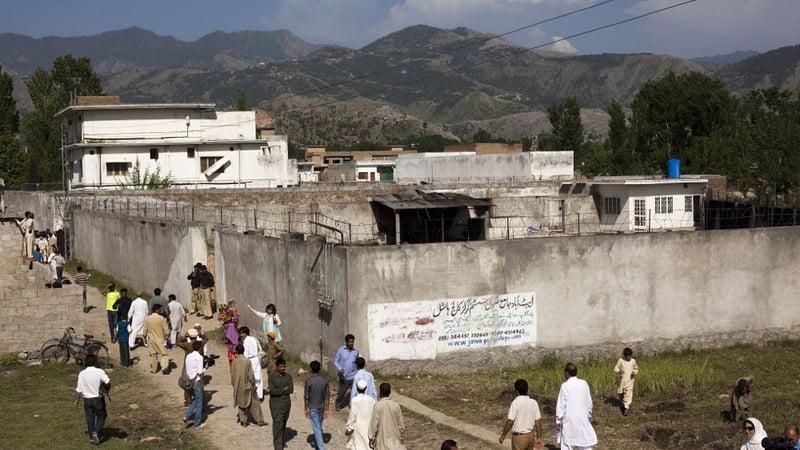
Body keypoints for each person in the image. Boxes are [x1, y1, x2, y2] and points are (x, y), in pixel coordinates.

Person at [556, 363, 597, 450]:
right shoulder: (584, 383)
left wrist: (558, 420)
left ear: (567, 373)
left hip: (569, 418)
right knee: (584, 440)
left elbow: (561, 405)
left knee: (567, 442)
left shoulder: (565, 386)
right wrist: (589, 414)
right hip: (582, 417)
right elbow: (588, 401)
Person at [75, 353, 111, 446]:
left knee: (89, 418)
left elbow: (79, 389)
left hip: (87, 400)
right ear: (95, 361)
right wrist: (107, 389)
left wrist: (77, 400)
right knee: (102, 416)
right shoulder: (99, 371)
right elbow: (107, 381)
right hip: (98, 398)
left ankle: (92, 436)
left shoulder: (82, 373)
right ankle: (97, 431)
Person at [499, 379, 542, 450]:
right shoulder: (533, 402)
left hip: (519, 438)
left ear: (517, 390)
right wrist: (539, 437)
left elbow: (510, 422)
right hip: (530, 436)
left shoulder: (515, 403)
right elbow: (538, 422)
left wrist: (503, 435)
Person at [231, 343, 267, 427]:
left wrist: (234, 384)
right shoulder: (247, 361)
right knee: (254, 403)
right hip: (247, 385)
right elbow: (250, 374)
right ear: (243, 351)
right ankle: (259, 420)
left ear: (236, 351)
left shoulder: (234, 361)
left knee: (241, 404)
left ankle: (243, 421)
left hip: (238, 386)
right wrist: (253, 384)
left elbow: (232, 375)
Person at [369, 382, 406, 450]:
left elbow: (374, 424)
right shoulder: (396, 405)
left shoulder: (378, 406)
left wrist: (371, 437)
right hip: (395, 440)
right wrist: (402, 436)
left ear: (380, 392)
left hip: (382, 440)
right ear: (390, 392)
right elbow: (400, 423)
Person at [268, 358, 293, 450]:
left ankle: (281, 441)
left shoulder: (288, 377)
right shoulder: (272, 377)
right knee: (277, 424)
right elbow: (272, 391)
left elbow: (291, 389)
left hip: (286, 404)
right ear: (277, 367)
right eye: (281, 367)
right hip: (276, 405)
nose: (283, 368)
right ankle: (278, 446)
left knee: (283, 423)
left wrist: (281, 390)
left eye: (284, 366)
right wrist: (283, 390)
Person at [305, 360, 330, 450]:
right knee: (318, 426)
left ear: (311, 369)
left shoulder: (308, 381)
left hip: (313, 408)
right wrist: (327, 409)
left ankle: (321, 448)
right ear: (319, 369)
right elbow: (327, 397)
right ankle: (317, 444)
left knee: (316, 428)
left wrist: (305, 408)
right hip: (322, 407)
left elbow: (306, 397)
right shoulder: (325, 381)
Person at [176, 328, 205, 407]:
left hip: (187, 366)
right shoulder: (201, 343)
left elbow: (177, 342)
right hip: (198, 365)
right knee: (200, 382)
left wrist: (185, 337)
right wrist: (201, 334)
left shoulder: (187, 345)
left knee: (187, 383)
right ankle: (200, 400)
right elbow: (206, 338)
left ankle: (188, 400)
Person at [346, 379, 376, 450]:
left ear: (356, 388)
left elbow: (352, 417)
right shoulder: (372, 400)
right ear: (366, 388)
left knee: (358, 446)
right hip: (369, 428)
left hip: (358, 428)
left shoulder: (355, 400)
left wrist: (349, 428)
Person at [183, 340, 206, 429]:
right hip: (196, 381)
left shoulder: (188, 356)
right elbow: (200, 371)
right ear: (200, 348)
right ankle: (197, 423)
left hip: (189, 380)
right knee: (199, 402)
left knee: (196, 399)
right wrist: (205, 368)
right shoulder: (199, 357)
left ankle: (187, 415)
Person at [334, 334, 359, 410]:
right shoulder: (341, 350)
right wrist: (339, 368)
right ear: (346, 342)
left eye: (353, 342)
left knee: (354, 392)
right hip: (344, 376)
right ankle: (338, 404)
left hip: (353, 375)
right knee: (342, 392)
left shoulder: (356, 351)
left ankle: (352, 405)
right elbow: (335, 361)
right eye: (350, 342)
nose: (351, 343)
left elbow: (357, 362)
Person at [239, 326, 264, 401]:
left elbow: (245, 353)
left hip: (249, 360)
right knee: (258, 377)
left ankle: (253, 394)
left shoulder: (246, 341)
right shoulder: (254, 339)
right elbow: (260, 349)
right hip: (256, 359)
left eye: (241, 333)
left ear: (245, 333)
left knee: (250, 377)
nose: (240, 335)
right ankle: (259, 395)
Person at [144, 303, 170, 374]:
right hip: (160, 339)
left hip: (151, 339)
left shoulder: (147, 318)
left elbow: (145, 330)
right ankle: (164, 367)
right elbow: (166, 329)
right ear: (157, 310)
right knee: (164, 354)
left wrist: (144, 336)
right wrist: (167, 335)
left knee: (153, 354)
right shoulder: (161, 318)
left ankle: (154, 369)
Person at [613, 347, 639, 416]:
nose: (629, 357)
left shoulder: (633, 361)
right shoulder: (621, 360)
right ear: (625, 356)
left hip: (630, 381)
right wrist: (619, 371)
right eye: (628, 356)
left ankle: (625, 408)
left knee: (628, 394)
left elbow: (636, 368)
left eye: (630, 356)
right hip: (623, 381)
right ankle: (622, 404)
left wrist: (634, 372)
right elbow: (615, 368)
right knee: (620, 393)